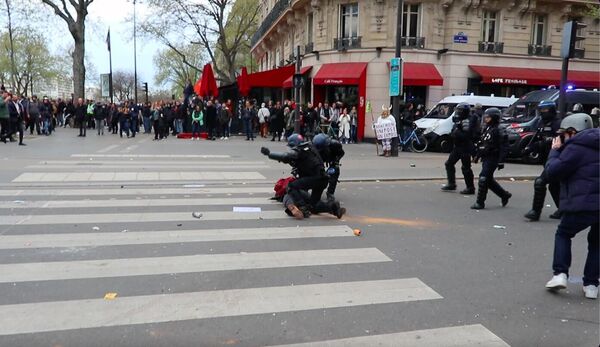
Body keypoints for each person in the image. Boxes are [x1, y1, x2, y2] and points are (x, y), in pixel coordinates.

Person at [544, 113, 598, 299]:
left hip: (581, 202)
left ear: (572, 132)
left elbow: (553, 172)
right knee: (597, 244)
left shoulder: (575, 148)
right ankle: (591, 285)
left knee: (564, 233)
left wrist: (555, 151)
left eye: (564, 134)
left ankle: (560, 274)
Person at [260, 134, 346, 220]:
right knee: (313, 205)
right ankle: (334, 208)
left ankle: (302, 207)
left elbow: (285, 157)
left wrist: (269, 154)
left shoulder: (299, 151)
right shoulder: (310, 147)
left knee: (291, 186)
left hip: (315, 178)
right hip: (323, 179)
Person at [523, 100, 563, 221]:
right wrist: (529, 148)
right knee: (554, 186)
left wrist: (540, 144)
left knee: (540, 182)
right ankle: (563, 209)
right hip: (546, 159)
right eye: (541, 110)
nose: (542, 112)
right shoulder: (541, 123)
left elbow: (557, 142)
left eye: (545, 110)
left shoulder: (558, 124)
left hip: (556, 159)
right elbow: (538, 138)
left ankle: (535, 212)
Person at [471, 107, 512, 209]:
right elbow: (483, 143)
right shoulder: (486, 128)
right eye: (485, 117)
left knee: (483, 178)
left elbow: (504, 146)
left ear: (494, 117)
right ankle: (504, 195)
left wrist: (501, 160)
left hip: (493, 157)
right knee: (488, 180)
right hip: (486, 156)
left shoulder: (500, 129)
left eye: (488, 117)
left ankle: (480, 202)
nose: (486, 119)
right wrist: (477, 155)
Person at [441, 102, 477, 195]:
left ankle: (470, 187)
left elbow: (466, 135)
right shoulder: (459, 119)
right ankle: (451, 183)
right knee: (449, 164)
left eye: (459, 110)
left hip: (465, 146)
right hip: (458, 146)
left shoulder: (466, 121)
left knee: (466, 168)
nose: (458, 112)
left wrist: (456, 133)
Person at [313, 133, 345, 201]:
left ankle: (330, 193)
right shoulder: (313, 147)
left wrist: (336, 160)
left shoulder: (335, 144)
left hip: (331, 158)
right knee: (316, 174)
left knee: (334, 171)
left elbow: (341, 153)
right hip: (319, 159)